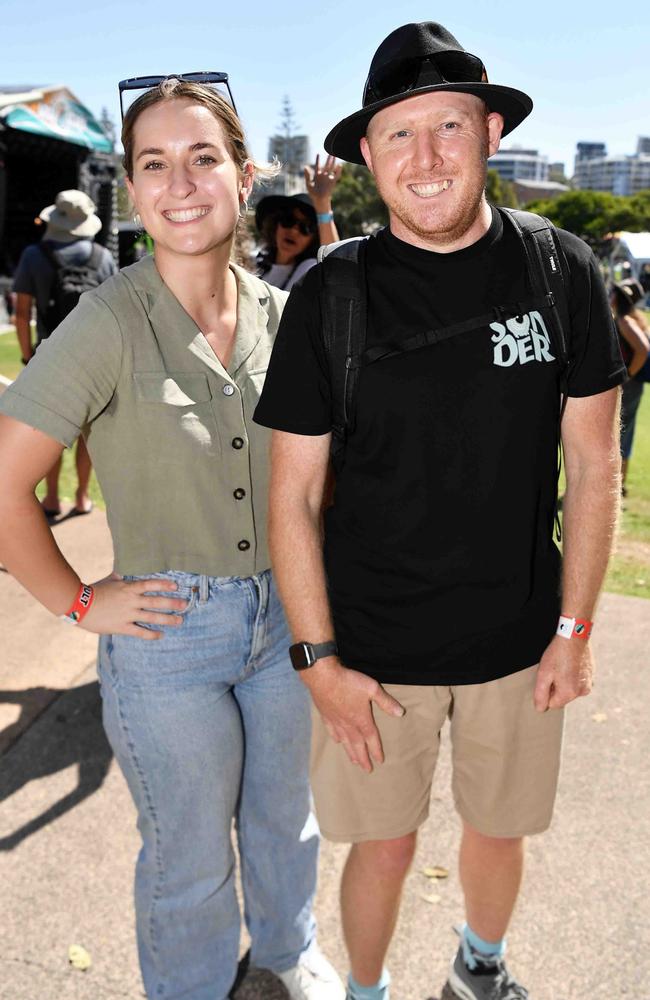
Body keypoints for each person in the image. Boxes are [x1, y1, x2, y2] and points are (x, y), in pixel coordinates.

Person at [254, 22, 625, 1000]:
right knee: (380, 844)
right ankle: (368, 992)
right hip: (371, 652)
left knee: (498, 830)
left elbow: (593, 467)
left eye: (448, 127)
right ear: (366, 156)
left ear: (490, 131)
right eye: (399, 134)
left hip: (517, 639)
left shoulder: (560, 271)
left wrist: (573, 631)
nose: (424, 157)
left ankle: (478, 965)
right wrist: (317, 662)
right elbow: (288, 495)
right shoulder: (329, 294)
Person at [0, 77, 344, 1000]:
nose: (180, 182)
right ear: (132, 185)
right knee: (188, 858)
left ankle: (284, 952)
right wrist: (76, 600)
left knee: (287, 819)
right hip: (165, 637)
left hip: (287, 623)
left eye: (203, 158)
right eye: (155, 162)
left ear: (243, 175)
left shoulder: (283, 316)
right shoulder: (106, 322)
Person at [12, 190, 117, 517]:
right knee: (89, 436)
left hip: (49, 356)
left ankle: (53, 498)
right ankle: (83, 496)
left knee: (50, 434)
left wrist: (28, 355)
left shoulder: (33, 255)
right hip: (95, 360)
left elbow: (22, 313)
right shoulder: (103, 256)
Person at [255, 155, 342, 290]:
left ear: (314, 239)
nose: (294, 231)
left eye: (306, 227)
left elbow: (335, 268)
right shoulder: (254, 264)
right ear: (275, 225)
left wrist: (323, 202)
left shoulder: (308, 270)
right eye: (288, 220)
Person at [611, 280, 649, 494]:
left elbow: (642, 350)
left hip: (629, 385)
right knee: (623, 433)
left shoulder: (625, 321)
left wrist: (628, 375)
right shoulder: (632, 319)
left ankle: (617, 485)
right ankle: (619, 485)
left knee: (620, 434)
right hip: (632, 384)